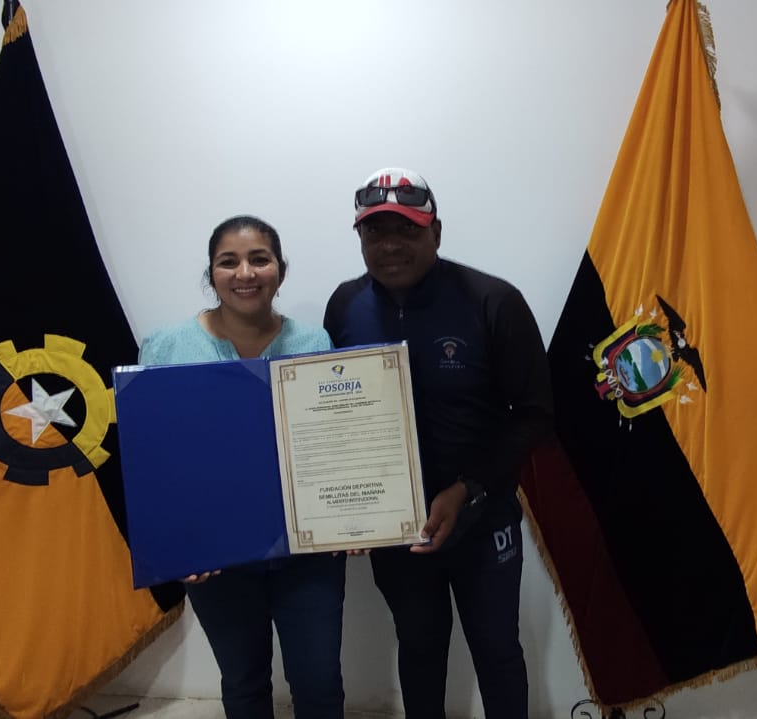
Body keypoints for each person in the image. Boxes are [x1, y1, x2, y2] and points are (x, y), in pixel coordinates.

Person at [322, 168, 554, 719]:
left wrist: (469, 488)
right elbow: (332, 414)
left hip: (483, 518)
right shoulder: (345, 306)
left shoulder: (493, 300)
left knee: (497, 650)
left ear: (437, 232)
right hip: (397, 529)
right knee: (420, 648)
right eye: (374, 231)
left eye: (407, 228)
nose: (390, 244)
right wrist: (341, 506)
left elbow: (536, 415)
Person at [140, 215, 345, 719]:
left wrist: (354, 515)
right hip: (216, 553)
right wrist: (175, 543)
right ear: (211, 274)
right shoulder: (166, 347)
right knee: (244, 681)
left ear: (280, 270)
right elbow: (154, 457)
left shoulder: (313, 343)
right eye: (228, 262)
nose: (245, 273)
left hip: (306, 552)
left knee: (319, 684)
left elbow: (333, 443)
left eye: (259, 259)